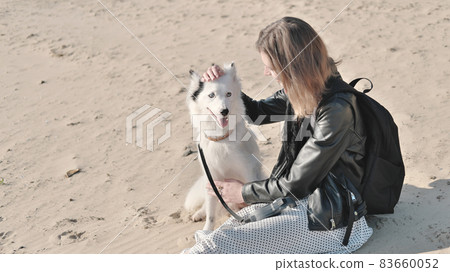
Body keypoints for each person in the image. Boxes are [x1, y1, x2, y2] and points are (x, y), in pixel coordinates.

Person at [184, 17, 373, 254]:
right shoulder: (306, 89)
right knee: (228, 233)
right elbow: (259, 114)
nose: (266, 73)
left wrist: (241, 192)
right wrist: (226, 86)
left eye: (271, 67)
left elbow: (296, 183)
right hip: (301, 202)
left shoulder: (337, 109)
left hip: (331, 218)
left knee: (219, 245)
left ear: (293, 66)